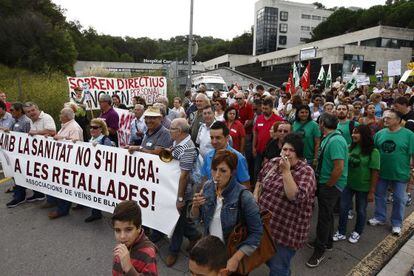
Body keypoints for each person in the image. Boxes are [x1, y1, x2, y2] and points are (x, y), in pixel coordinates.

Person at [191, 150, 263, 274]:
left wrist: (236, 258)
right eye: (214, 169)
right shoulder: (208, 187)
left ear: (232, 172)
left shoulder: (244, 197)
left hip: (232, 253)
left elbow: (257, 233)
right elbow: (197, 221)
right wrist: (195, 207)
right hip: (211, 252)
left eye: (223, 170)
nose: (217, 175)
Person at [254, 133, 316, 276]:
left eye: (291, 150)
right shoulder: (273, 162)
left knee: (278, 267)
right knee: (268, 258)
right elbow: (260, 178)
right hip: (266, 227)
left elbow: (294, 197)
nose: (286, 153)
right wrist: (256, 195)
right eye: (285, 149)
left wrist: (286, 171)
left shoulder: (306, 172)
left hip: (286, 232)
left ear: (298, 153)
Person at [306, 113, 348, 268]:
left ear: (322, 123)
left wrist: (329, 185)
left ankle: (319, 250)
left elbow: (339, 167)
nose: (318, 124)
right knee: (327, 214)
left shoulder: (336, 140)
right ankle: (326, 242)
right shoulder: (330, 138)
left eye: (319, 122)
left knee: (323, 218)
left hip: (330, 185)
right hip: (325, 183)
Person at [368, 109, 414, 236]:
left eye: (389, 118)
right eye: (384, 117)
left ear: (398, 120)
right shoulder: (380, 134)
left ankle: (397, 223)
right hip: (381, 172)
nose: (385, 120)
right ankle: (380, 217)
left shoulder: (409, 135)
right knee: (380, 195)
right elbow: (374, 152)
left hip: (400, 173)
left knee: (399, 198)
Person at [333, 125, 380, 244]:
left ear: (364, 135)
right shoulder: (349, 147)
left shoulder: (373, 152)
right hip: (347, 184)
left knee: (361, 210)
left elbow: (375, 172)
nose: (353, 135)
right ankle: (341, 231)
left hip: (363, 187)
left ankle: (357, 232)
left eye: (357, 133)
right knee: (343, 209)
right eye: (353, 132)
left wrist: (372, 191)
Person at [166, 118, 201, 267]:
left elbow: (184, 175)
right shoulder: (178, 142)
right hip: (174, 186)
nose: (169, 131)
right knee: (180, 218)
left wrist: (180, 198)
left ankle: (174, 251)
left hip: (183, 190)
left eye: (171, 129)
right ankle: (194, 234)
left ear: (179, 131)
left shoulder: (188, 148)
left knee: (177, 220)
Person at [46, 108, 83, 219]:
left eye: (61, 113)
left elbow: (76, 144)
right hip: (63, 161)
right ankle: (80, 204)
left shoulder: (74, 127)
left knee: (64, 185)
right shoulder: (66, 126)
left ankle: (63, 210)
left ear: (66, 116)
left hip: (69, 162)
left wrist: (60, 138)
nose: (59, 115)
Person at [112, 201, 158, 275]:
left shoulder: (148, 254)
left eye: (128, 229)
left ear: (139, 228)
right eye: (118, 230)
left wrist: (129, 268)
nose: (122, 236)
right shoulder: (124, 244)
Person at [201, 121, 250, 189]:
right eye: (212, 138)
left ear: (227, 138)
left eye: (218, 138)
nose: (214, 141)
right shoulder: (208, 156)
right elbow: (204, 179)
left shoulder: (238, 158)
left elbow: (245, 185)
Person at [81, 118, 113, 222]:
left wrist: (99, 148)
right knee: (94, 190)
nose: (92, 129)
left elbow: (111, 156)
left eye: (95, 127)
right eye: (91, 127)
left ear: (101, 129)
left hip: (102, 172)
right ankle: (96, 212)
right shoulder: (91, 139)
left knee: (104, 192)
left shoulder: (105, 140)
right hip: (92, 170)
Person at [24, 102, 56, 202]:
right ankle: (48, 199)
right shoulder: (31, 120)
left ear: (37, 109)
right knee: (43, 177)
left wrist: (36, 133)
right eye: (28, 112)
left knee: (51, 178)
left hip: (50, 153)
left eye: (33, 110)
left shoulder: (46, 117)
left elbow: (52, 132)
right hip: (39, 153)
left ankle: (54, 201)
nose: (31, 113)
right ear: (26, 114)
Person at [5, 102, 32, 207]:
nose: (10, 112)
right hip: (15, 154)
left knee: (20, 174)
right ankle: (19, 194)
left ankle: (20, 196)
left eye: (12, 110)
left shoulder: (26, 122)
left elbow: (27, 138)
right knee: (16, 174)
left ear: (19, 111)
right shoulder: (14, 121)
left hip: (22, 155)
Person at [253, 97, 283, 181]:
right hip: (259, 150)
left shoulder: (278, 120)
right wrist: (253, 147)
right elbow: (255, 133)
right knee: (257, 171)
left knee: (270, 173)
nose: (264, 110)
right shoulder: (259, 118)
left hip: (272, 152)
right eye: (263, 108)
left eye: (266, 108)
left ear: (271, 108)